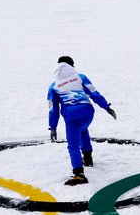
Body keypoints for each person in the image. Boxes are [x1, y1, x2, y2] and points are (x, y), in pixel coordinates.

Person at [47, 56, 116, 185]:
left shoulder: (53, 86)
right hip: (88, 113)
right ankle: (88, 158)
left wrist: (53, 127)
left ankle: (79, 174)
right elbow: (94, 93)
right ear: (72, 66)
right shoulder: (80, 77)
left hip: (72, 117)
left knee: (73, 145)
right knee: (83, 129)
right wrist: (106, 107)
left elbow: (53, 110)